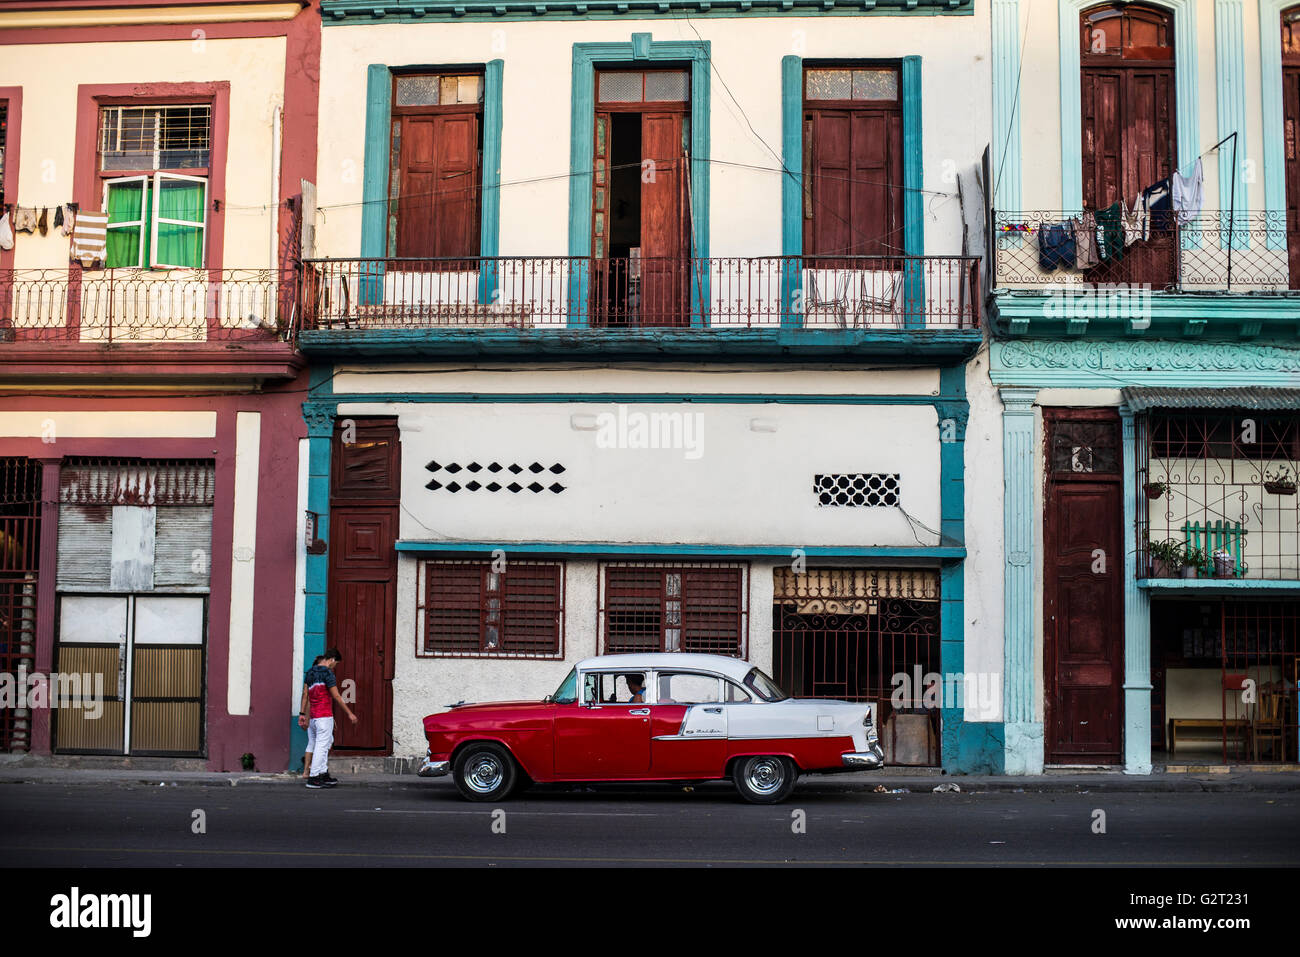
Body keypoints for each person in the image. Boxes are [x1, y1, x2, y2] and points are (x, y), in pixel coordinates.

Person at [297, 648, 358, 789]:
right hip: (324, 716)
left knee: (324, 743)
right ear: (332, 659)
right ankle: (314, 777)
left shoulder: (310, 672)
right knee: (321, 746)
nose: (334, 666)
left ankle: (323, 774)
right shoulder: (327, 673)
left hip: (313, 718)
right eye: (335, 664)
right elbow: (336, 696)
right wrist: (349, 713)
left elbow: (305, 694)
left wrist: (302, 714)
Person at [298, 655, 325, 779]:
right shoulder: (323, 677)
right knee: (322, 743)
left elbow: (305, 695)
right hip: (320, 714)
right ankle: (317, 770)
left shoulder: (309, 675)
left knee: (312, 742)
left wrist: (302, 714)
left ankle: (306, 772)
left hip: (310, 713)